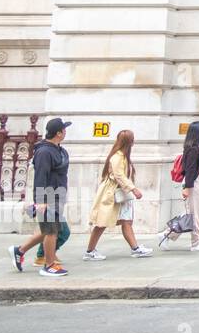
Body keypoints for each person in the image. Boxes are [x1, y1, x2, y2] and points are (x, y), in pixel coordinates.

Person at [8, 117, 72, 277]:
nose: (65, 131)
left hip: (58, 195)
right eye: (63, 129)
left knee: (48, 230)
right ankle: (48, 265)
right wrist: (41, 201)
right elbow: (40, 177)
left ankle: (19, 251)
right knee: (51, 231)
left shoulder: (59, 150)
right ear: (58, 133)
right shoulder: (44, 152)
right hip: (48, 196)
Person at [84, 129, 152, 260]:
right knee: (101, 223)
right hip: (112, 194)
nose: (134, 142)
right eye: (132, 139)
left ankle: (135, 248)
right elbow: (119, 175)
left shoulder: (121, 156)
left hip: (120, 194)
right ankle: (89, 251)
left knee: (126, 221)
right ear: (129, 142)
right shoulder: (117, 157)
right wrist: (133, 189)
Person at [160, 121, 199, 252]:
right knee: (195, 215)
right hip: (193, 182)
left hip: (198, 180)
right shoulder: (193, 149)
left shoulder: (197, 147)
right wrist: (187, 188)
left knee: (190, 213)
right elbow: (190, 170)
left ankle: (167, 234)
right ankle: (196, 243)